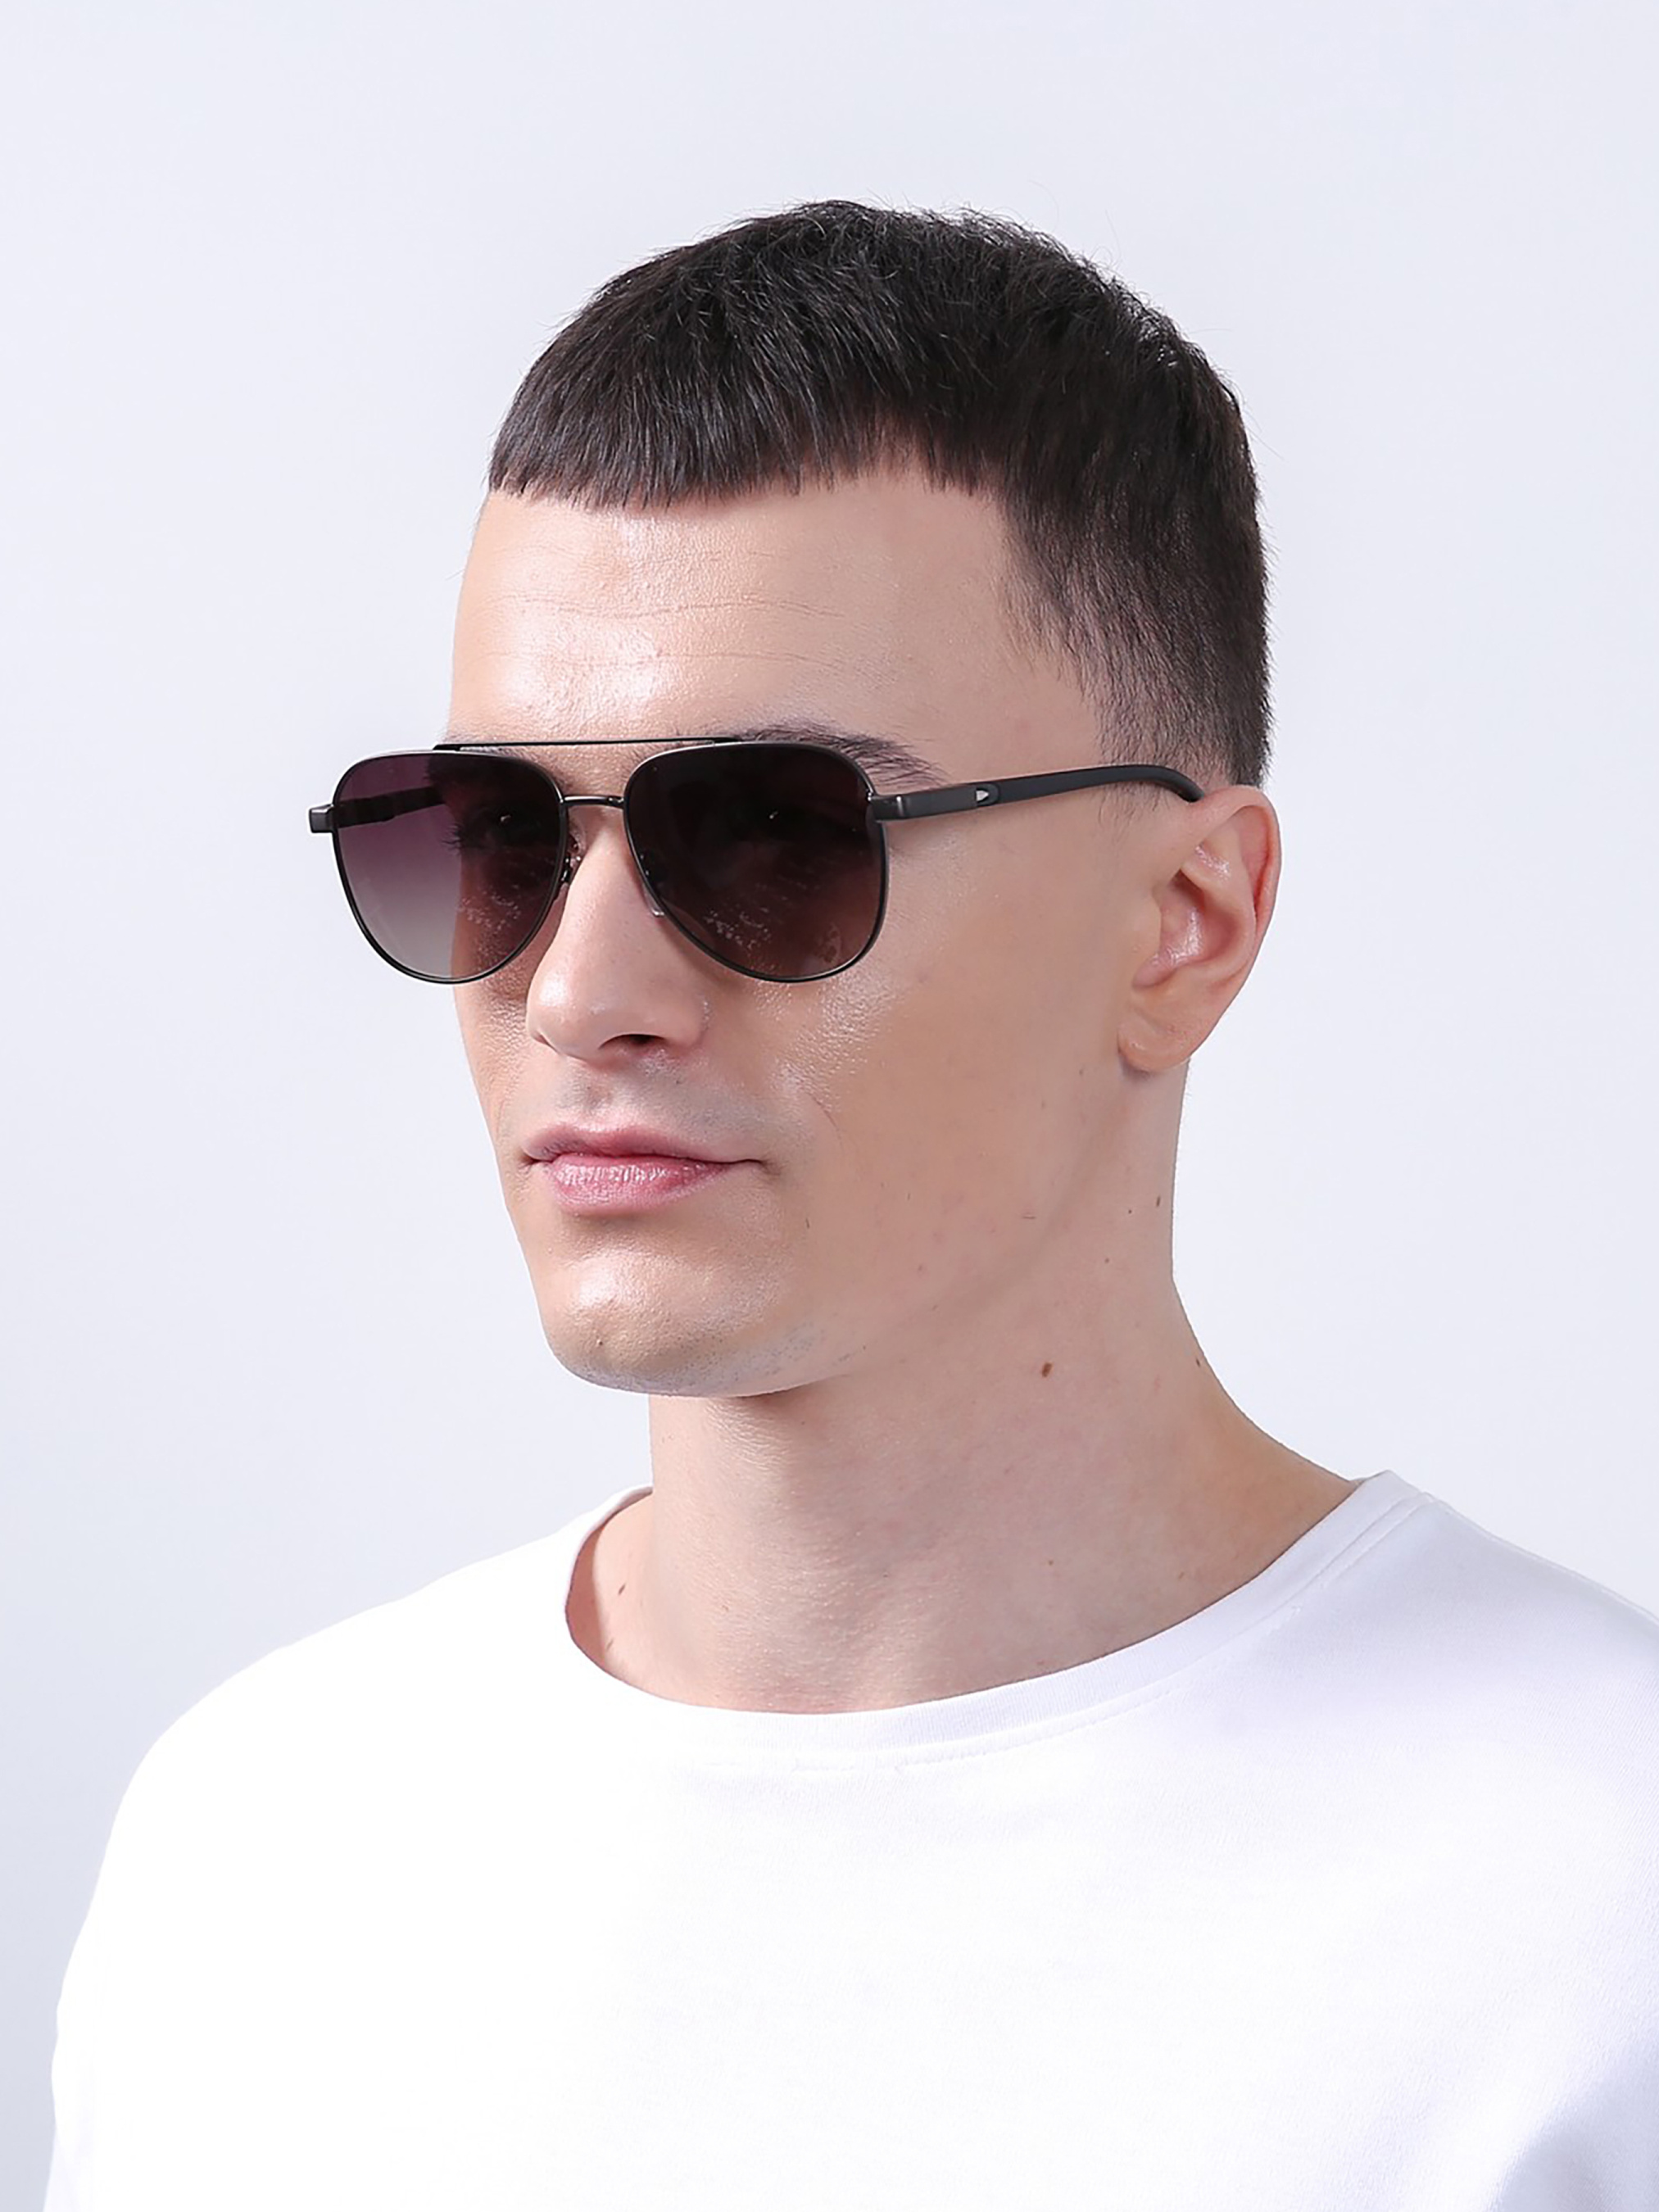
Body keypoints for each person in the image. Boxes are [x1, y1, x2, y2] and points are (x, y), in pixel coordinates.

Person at [45, 200, 1659, 2210]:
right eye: (494, 837)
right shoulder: (255, 1858)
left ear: (1185, 918)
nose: (577, 993)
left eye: (773, 836)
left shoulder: (1587, 1906)